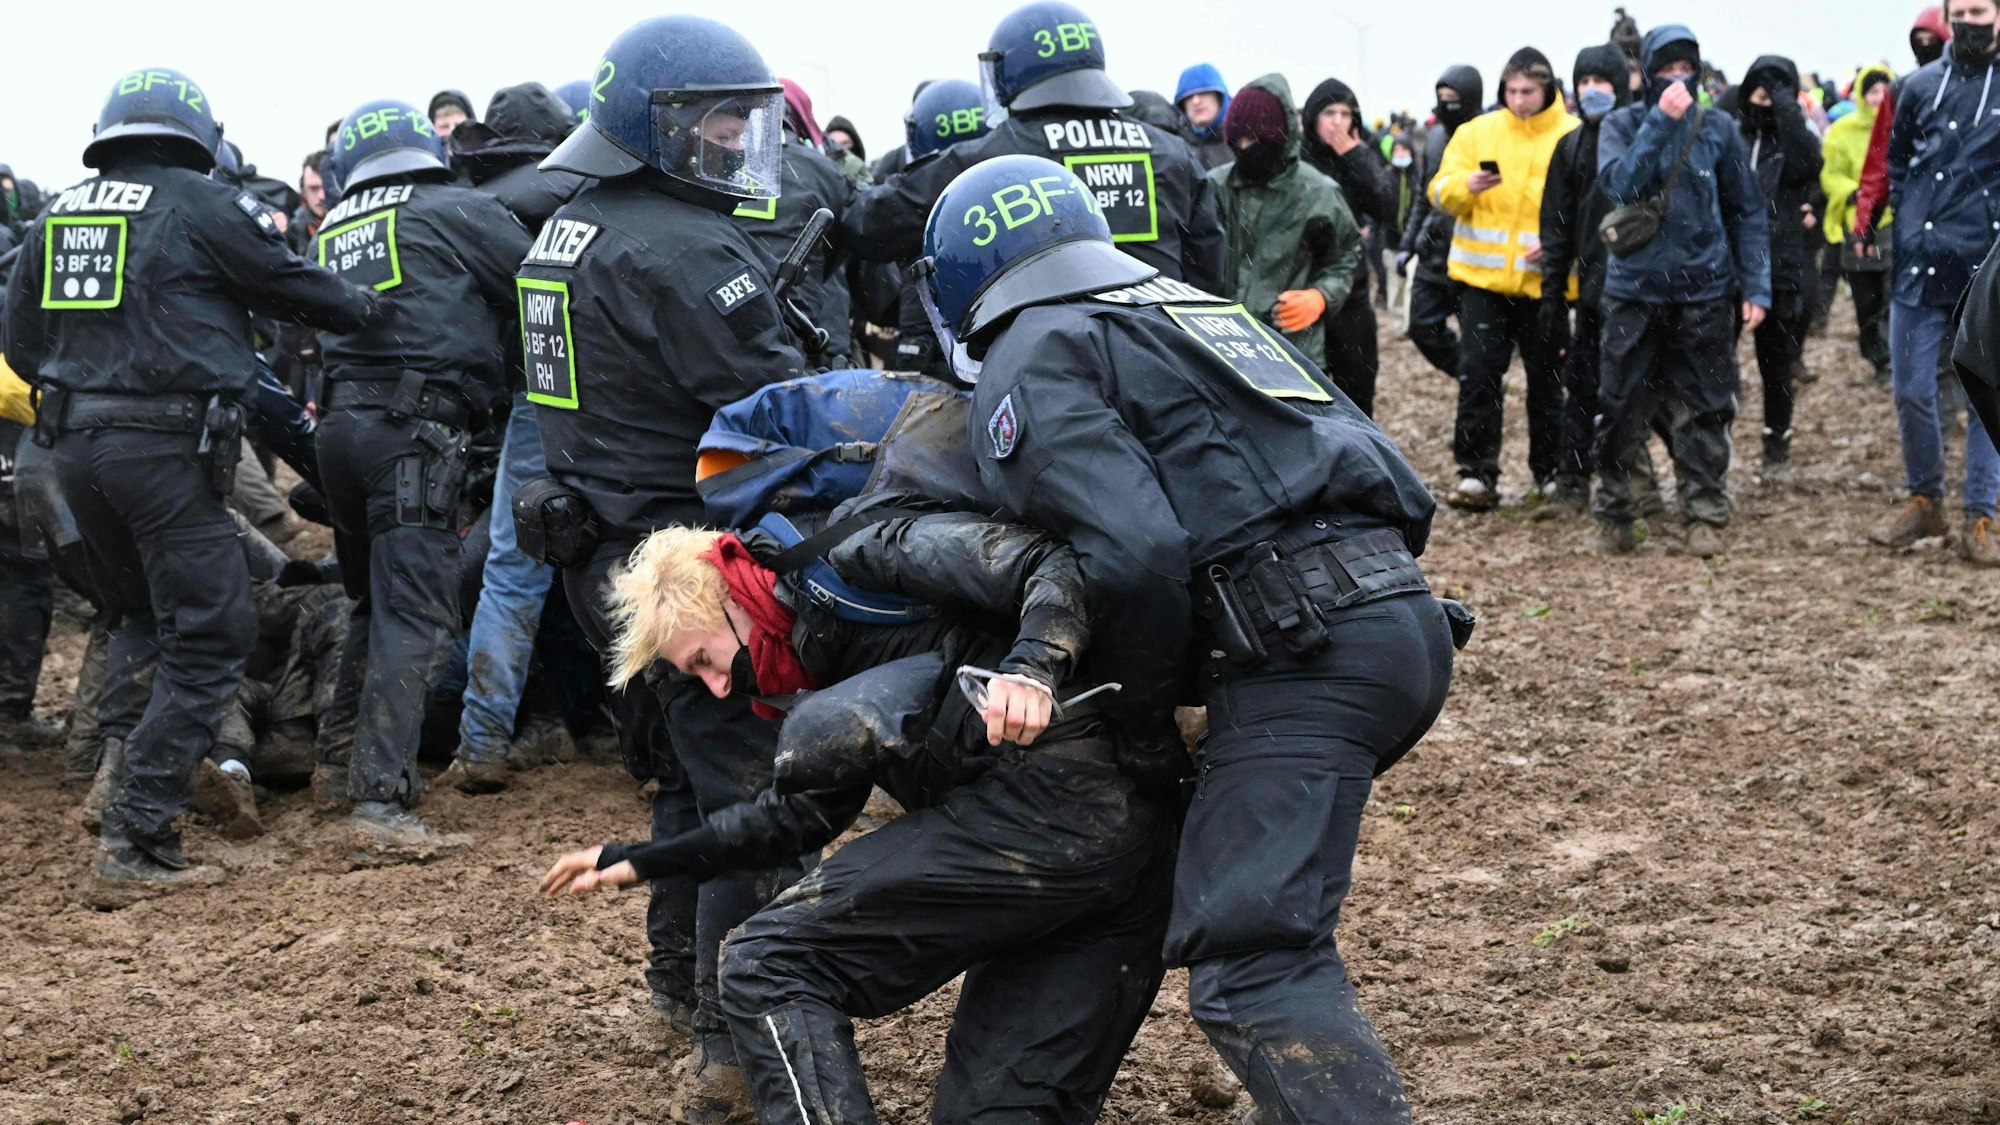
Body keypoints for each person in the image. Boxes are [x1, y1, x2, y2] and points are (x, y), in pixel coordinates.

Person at [917, 154, 1454, 1125]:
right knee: (1266, 912)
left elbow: (1131, 550)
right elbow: (1380, 464)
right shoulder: (1195, 306)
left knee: (1250, 964)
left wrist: (1142, 722)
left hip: (1298, 651)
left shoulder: (1029, 348)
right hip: (1398, 618)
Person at [542, 500, 1175, 1124]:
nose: (720, 688)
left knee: (767, 963)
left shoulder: (864, 553)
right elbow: (788, 820)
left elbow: (1048, 561)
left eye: (703, 660)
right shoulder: (824, 661)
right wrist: (642, 860)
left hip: (1057, 809)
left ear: (725, 597)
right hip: (1115, 854)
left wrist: (1031, 670)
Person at [517, 16, 809, 1113]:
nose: (739, 140)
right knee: (746, 789)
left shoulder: (569, 227)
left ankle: (679, 984)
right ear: (663, 124)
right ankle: (730, 1051)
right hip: (687, 563)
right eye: (723, 119)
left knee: (683, 781)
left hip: (599, 553)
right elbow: (775, 410)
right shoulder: (684, 247)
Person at [4, 67, 378, 893]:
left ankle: (114, 781)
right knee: (212, 632)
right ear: (197, 137)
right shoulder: (204, 203)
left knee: (139, 613)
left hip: (70, 448)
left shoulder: (59, 210)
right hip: (162, 450)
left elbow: (22, 338)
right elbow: (291, 286)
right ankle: (137, 835)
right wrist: (371, 308)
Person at [308, 98, 531, 848]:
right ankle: (380, 803)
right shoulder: (453, 208)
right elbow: (537, 284)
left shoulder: (335, 226)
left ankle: (336, 767)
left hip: (339, 430)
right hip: (416, 431)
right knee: (411, 614)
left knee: (372, 602)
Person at [846, 1, 1225, 295]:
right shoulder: (1172, 152)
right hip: (1163, 360)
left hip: (1053, 364)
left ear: (1007, 71)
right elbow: (1208, 273)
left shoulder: (996, 155)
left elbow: (871, 225)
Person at [436, 82, 590, 793]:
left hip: (533, 398)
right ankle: (651, 742)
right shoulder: (585, 186)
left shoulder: (478, 201)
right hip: (615, 395)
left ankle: (483, 739)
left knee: (512, 567)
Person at [1594, 25, 1770, 557]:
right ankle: (1618, 508)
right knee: (1621, 403)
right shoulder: (1621, 125)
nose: (1677, 79)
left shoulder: (1717, 127)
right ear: (1646, 71)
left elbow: (1747, 209)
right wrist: (1658, 123)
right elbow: (1620, 187)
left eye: (1684, 68)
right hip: (1634, 290)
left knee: (1707, 403)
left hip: (1705, 290)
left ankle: (1705, 510)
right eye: (1665, 68)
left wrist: (1756, 285)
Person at [1872, 0, 2000, 564]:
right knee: (1910, 390)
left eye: (1982, 8)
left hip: (1986, 268)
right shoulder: (1917, 86)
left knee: (1983, 397)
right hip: (1919, 265)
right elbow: (1895, 162)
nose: (1971, 19)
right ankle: (1926, 498)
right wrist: (1908, 215)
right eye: (1963, 9)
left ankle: (1982, 514)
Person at [1429, 48, 1577, 511]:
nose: (1519, 100)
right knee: (1479, 376)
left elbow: (1587, 207)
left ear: (1547, 89)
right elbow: (1438, 189)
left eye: (1528, 91)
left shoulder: (1571, 137)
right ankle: (1476, 473)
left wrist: (1558, 247)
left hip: (1544, 285)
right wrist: (1464, 187)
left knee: (1547, 380)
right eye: (1511, 91)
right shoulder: (1477, 132)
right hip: (1482, 283)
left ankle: (1551, 472)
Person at [1207, 77, 1365, 405]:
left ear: (1278, 137)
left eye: (1255, 139)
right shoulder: (1215, 187)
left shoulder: (1317, 192)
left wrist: (1320, 296)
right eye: (1238, 140)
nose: (1245, 149)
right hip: (1224, 345)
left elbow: (1346, 254)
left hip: (1294, 350)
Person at [1539, 44, 1631, 516]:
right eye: (1584, 81)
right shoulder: (1570, 147)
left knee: (1643, 394)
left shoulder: (1639, 137)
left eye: (1602, 81)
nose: (1592, 90)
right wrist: (1552, 300)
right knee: (1583, 388)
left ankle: (1644, 486)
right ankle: (1573, 483)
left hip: (1643, 294)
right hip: (1593, 296)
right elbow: (1555, 230)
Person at [1726, 56, 1822, 481]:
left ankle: (1776, 439)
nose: (1764, 100)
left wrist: (1786, 105)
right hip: (1728, 263)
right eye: (1759, 91)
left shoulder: (1792, 140)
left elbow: (1810, 163)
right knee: (1716, 360)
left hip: (1780, 262)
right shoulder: (1733, 132)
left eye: (1775, 92)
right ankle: (1715, 440)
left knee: (1777, 362)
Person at [733, 80, 855, 367]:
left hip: (718, 326)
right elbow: (841, 246)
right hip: (798, 333)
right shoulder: (822, 168)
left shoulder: (710, 162)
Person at [1300, 76, 1401, 416]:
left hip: (1352, 291)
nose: (1338, 122)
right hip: (1305, 286)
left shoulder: (1359, 155)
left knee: (1358, 387)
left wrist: (1354, 155)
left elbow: (1387, 205)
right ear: (1313, 117)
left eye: (1346, 114)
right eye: (1330, 113)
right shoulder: (1299, 159)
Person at [1399, 65, 1483, 378]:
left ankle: (1478, 380)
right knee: (1422, 326)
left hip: (1473, 252)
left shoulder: (1487, 136)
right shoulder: (1434, 138)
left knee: (1478, 340)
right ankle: (1466, 372)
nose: (1446, 106)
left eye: (1454, 99)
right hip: (1433, 251)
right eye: (1441, 98)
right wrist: (1408, 244)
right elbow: (1424, 196)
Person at [1821, 65, 1895, 384]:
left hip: (1894, 222)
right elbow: (1829, 174)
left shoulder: (1901, 125)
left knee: (1894, 294)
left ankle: (1896, 359)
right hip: (1859, 223)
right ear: (1861, 96)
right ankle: (1876, 357)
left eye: (1884, 91)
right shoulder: (1842, 131)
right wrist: (1851, 192)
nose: (1879, 98)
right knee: (1866, 299)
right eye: (1872, 91)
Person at [1174, 62, 1233, 168]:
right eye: (1188, 97)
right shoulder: (1174, 146)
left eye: (1203, 93)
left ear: (1220, 98)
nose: (1196, 101)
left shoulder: (1244, 141)